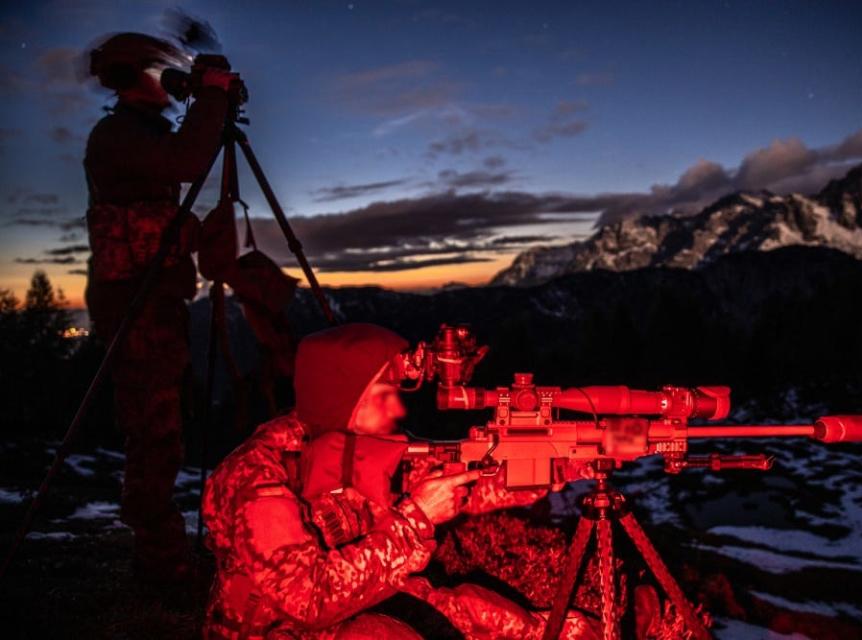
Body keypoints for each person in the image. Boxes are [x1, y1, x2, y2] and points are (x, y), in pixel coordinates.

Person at [202, 323, 598, 639]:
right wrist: (415, 519)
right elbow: (308, 599)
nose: (398, 407)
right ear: (342, 398)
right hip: (279, 629)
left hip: (359, 602)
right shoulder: (259, 476)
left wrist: (560, 466)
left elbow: (458, 483)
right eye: (382, 395)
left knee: (493, 620)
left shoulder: (357, 445)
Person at [83, 32, 234, 583]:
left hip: (154, 301)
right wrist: (213, 98)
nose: (172, 81)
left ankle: (163, 553)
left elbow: (161, 208)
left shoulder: (141, 134)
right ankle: (161, 563)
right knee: (154, 433)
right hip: (134, 306)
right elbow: (190, 162)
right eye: (159, 69)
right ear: (129, 76)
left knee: (165, 428)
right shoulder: (117, 135)